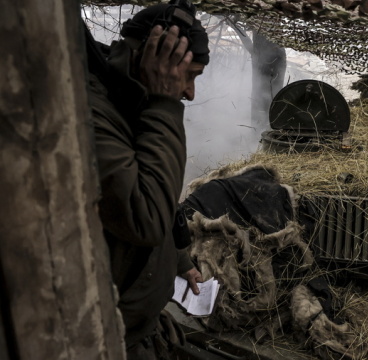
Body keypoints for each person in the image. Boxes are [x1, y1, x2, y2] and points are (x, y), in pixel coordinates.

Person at [85, 1, 209, 358]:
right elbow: (145, 218)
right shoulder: (93, 114)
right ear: (154, 58)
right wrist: (165, 102)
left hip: (140, 328)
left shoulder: (129, 99)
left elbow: (156, 191)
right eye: (190, 75)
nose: (189, 93)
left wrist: (180, 260)